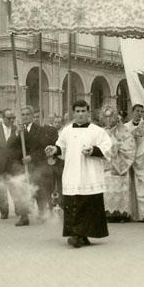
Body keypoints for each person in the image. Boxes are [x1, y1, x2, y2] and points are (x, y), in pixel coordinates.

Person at [45, 100, 113, 248]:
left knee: (89, 204)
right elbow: (61, 147)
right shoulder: (66, 130)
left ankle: (82, 235)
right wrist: (54, 150)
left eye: (83, 111)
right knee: (73, 203)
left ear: (88, 112)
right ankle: (77, 235)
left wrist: (94, 150)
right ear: (73, 113)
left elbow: (108, 148)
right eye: (78, 111)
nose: (80, 114)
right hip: (73, 172)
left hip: (90, 173)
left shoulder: (97, 130)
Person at [102, 106, 136, 222]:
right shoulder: (102, 131)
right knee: (107, 189)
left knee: (120, 189)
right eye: (106, 117)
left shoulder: (124, 131)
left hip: (121, 163)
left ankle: (121, 213)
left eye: (111, 116)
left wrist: (116, 144)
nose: (108, 119)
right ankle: (107, 213)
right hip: (107, 165)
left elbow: (130, 146)